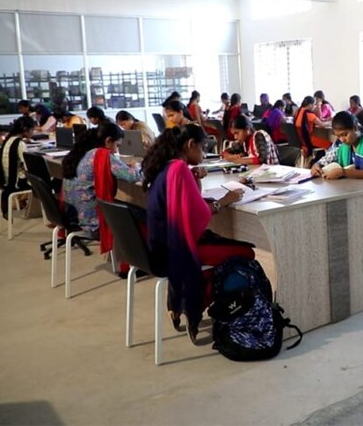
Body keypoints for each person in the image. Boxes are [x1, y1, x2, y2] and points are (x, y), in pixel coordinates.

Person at [142, 124, 243, 343]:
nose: (204, 154)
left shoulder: (166, 166)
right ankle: (194, 305)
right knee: (245, 254)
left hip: (160, 247)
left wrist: (194, 177)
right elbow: (197, 216)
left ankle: (178, 303)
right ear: (190, 145)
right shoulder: (179, 169)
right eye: (202, 148)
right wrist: (224, 201)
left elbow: (184, 208)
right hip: (176, 250)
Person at [62, 123, 142, 277]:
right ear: (108, 141)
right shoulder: (102, 155)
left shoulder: (85, 153)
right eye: (117, 145)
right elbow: (133, 176)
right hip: (93, 222)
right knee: (139, 212)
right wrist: (136, 166)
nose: (116, 150)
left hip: (76, 216)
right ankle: (133, 264)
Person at [0, 116, 35, 215]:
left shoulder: (8, 140)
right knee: (46, 178)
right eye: (32, 130)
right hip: (17, 183)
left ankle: (24, 201)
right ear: (25, 130)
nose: (33, 133)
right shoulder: (20, 144)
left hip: (7, 179)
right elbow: (29, 166)